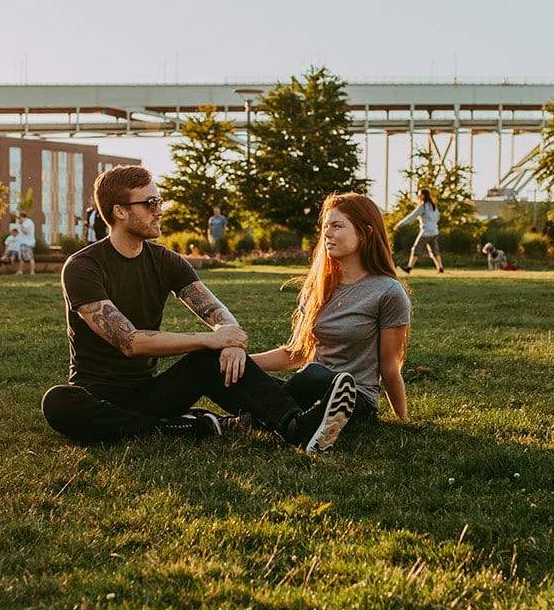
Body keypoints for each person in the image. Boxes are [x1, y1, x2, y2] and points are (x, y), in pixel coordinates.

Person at [41, 165, 357, 453]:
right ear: (120, 212)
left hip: (151, 392)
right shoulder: (83, 267)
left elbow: (218, 314)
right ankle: (184, 427)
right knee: (58, 402)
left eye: (159, 201)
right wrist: (210, 339)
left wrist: (229, 338)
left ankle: (296, 424)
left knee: (210, 359)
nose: (159, 210)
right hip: (98, 398)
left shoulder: (166, 260)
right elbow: (131, 342)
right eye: (150, 204)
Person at [252, 193, 410, 425]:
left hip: (355, 400)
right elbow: (298, 352)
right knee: (248, 378)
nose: (326, 233)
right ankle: (286, 420)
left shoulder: (388, 292)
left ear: (365, 232)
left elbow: (389, 365)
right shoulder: (318, 288)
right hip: (309, 388)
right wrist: (242, 363)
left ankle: (258, 418)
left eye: (336, 226)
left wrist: (402, 418)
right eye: (325, 226)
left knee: (315, 374)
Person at [394, 188, 444, 273]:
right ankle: (440, 268)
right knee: (434, 250)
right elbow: (438, 217)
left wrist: (399, 224)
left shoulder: (423, 206)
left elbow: (412, 216)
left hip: (426, 232)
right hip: (435, 231)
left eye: (419, 194)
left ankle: (409, 268)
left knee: (416, 249)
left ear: (423, 196)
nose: (418, 196)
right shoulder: (433, 206)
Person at [17, 210, 36, 275]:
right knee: (22, 258)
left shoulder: (27, 222)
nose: (19, 220)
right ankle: (20, 271)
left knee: (30, 257)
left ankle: (32, 272)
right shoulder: (27, 222)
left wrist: (21, 225)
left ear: (22, 217)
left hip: (27, 243)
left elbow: (26, 232)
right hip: (24, 243)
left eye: (20, 218)